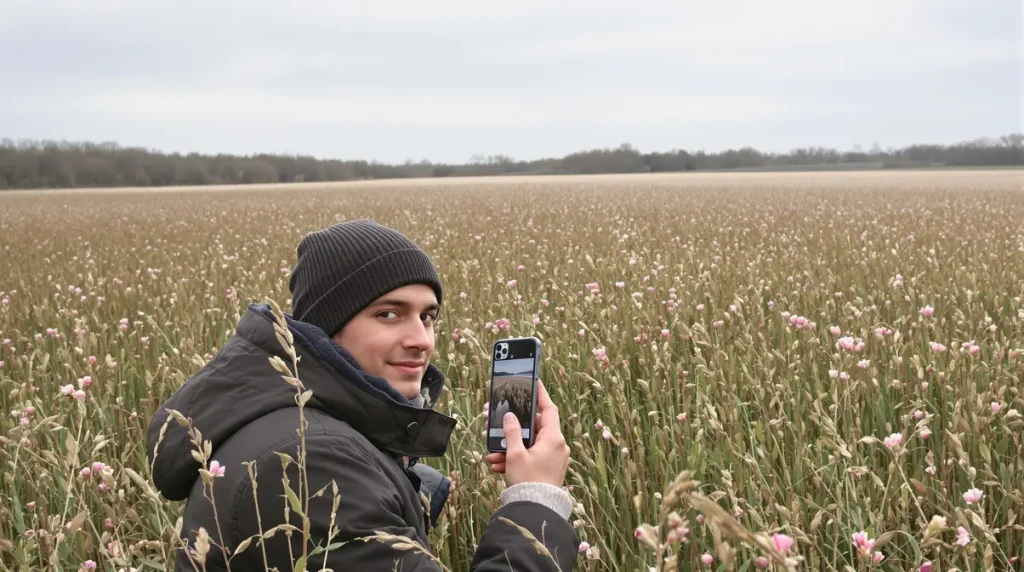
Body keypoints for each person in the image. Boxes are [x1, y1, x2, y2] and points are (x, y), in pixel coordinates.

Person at [146, 219, 578, 571]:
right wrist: (534, 499)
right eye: (388, 314)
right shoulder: (308, 461)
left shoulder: (304, 431)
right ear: (328, 327)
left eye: (428, 317)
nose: (421, 340)